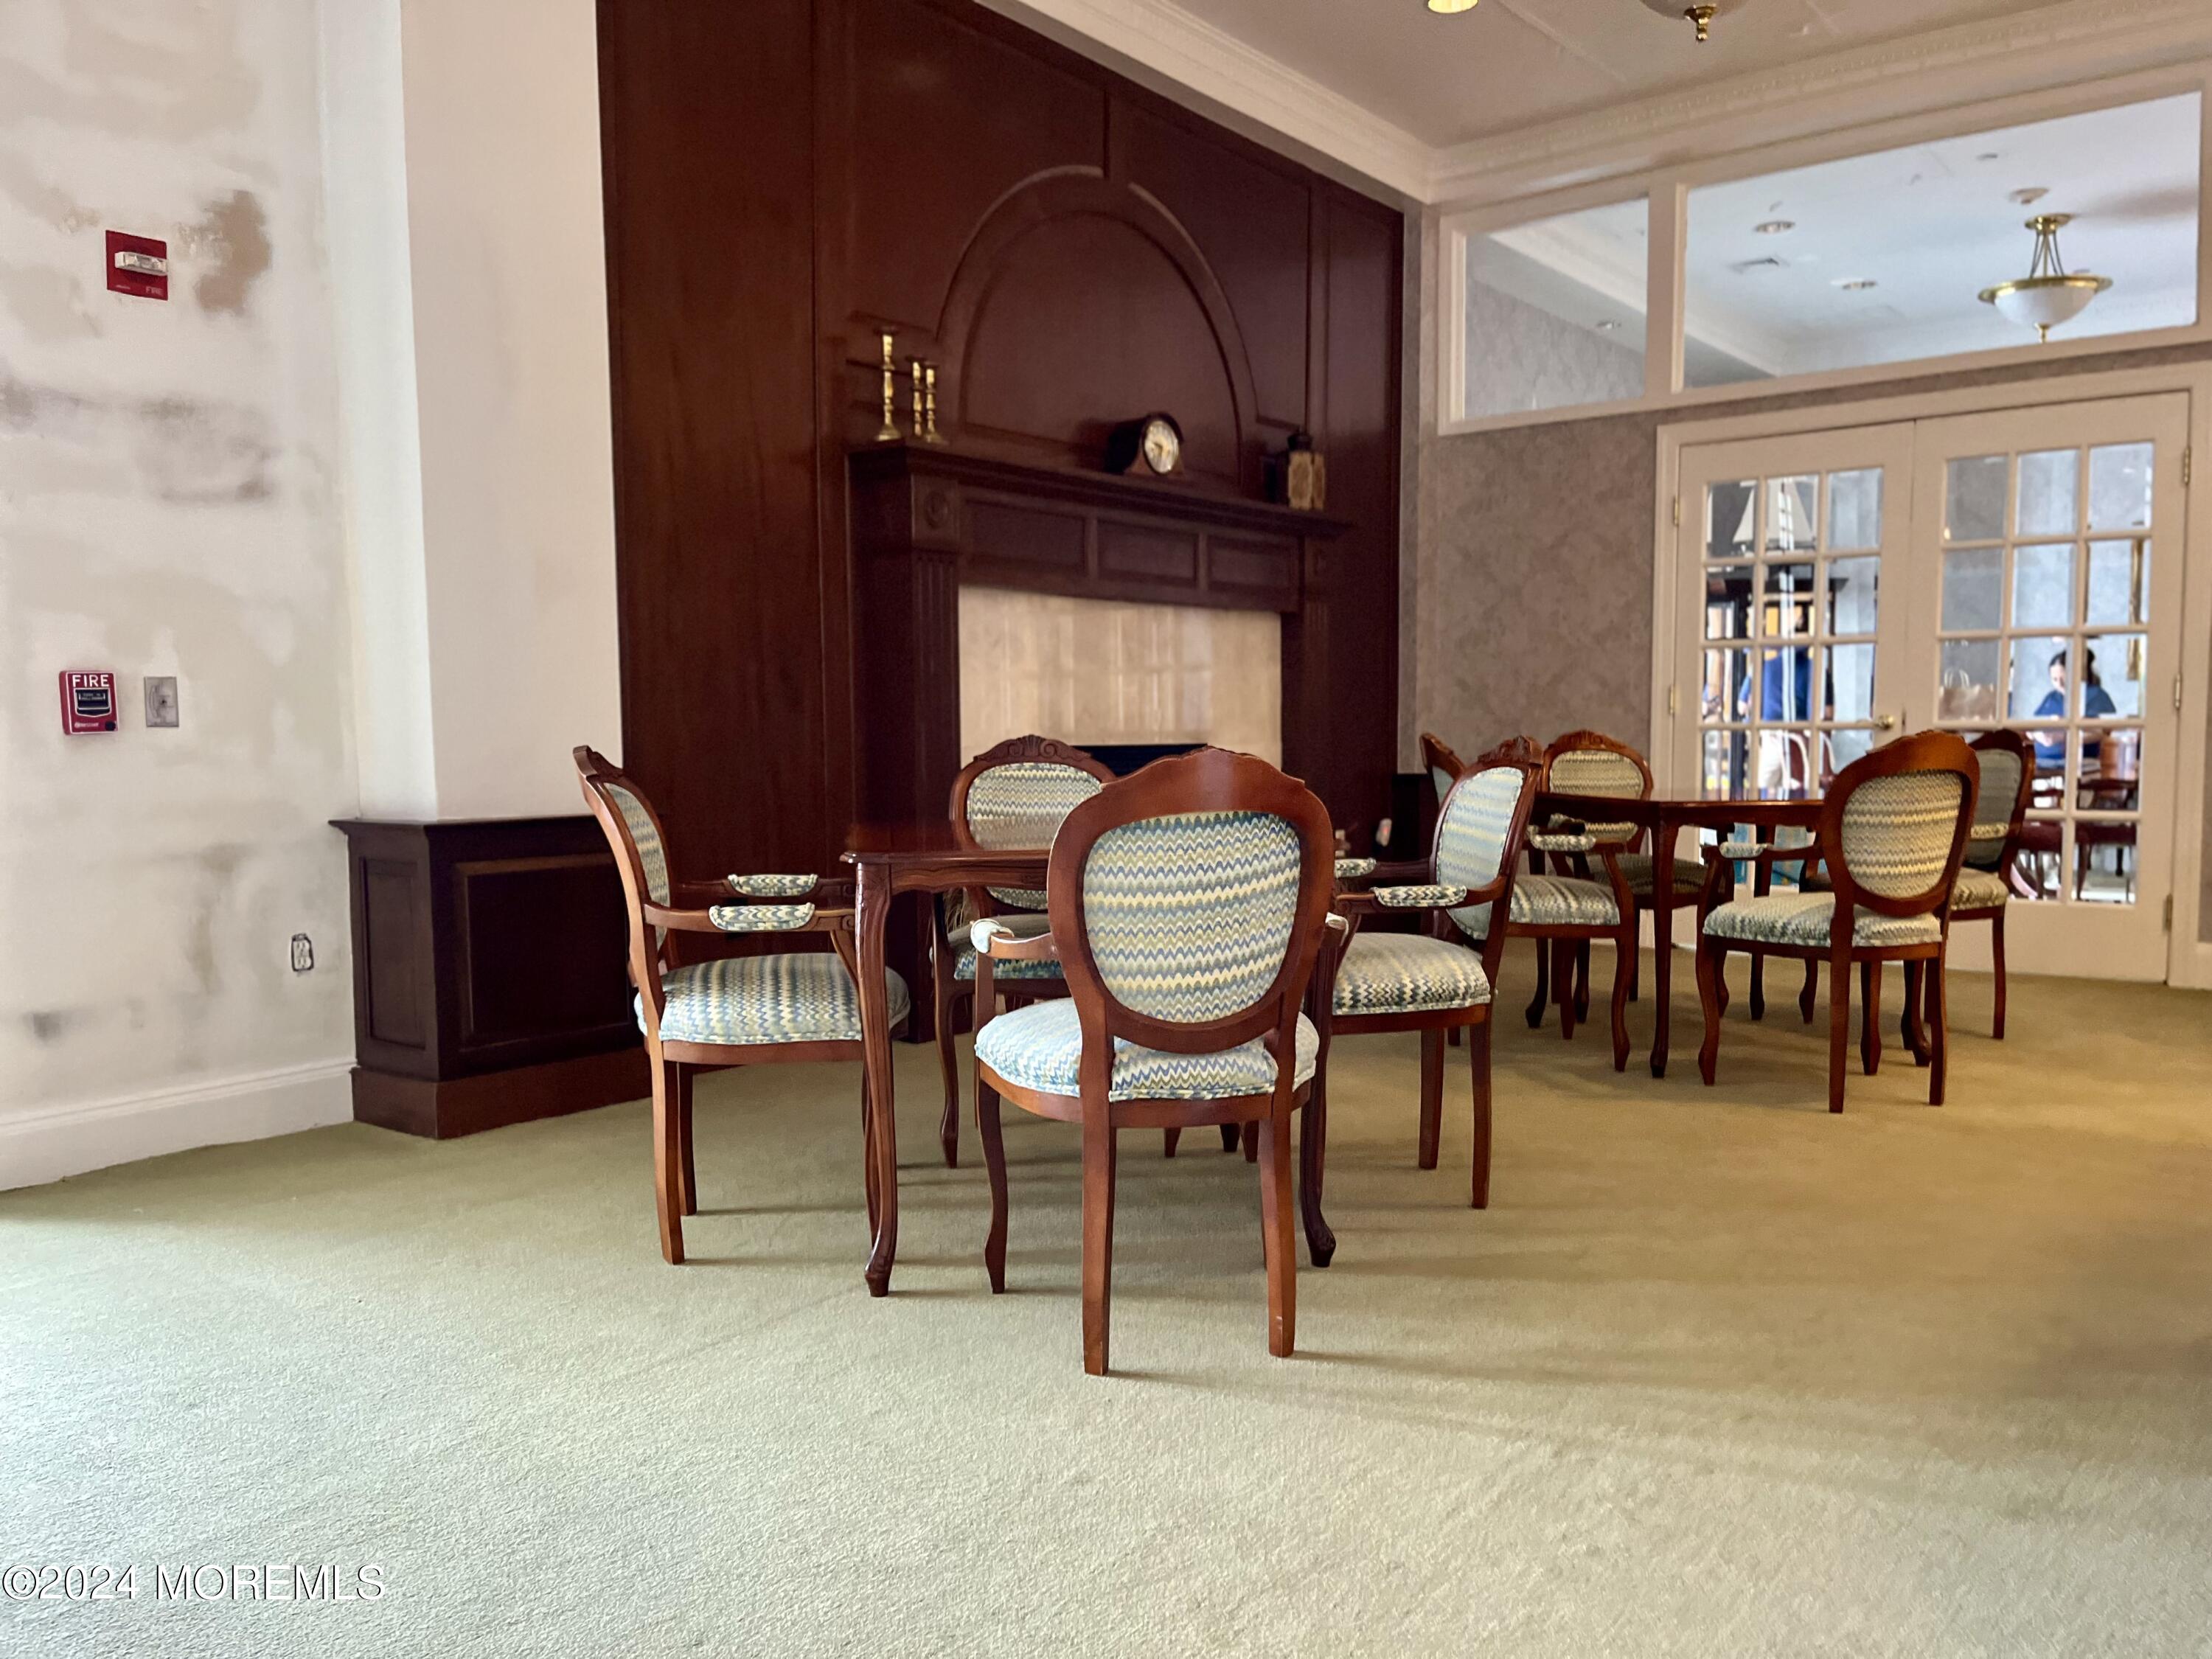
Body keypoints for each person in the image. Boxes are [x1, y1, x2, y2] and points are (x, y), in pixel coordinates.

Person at [2031, 648, 2115, 771]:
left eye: (2063, 678)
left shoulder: (2094, 696)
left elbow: (2102, 732)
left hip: (2082, 763)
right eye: (2054, 679)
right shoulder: (2052, 698)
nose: (2059, 684)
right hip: (2044, 763)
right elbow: (2034, 726)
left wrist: (2063, 735)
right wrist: (2038, 735)